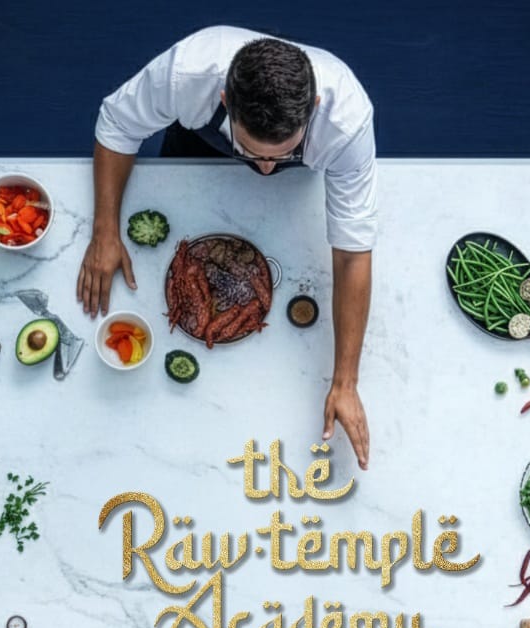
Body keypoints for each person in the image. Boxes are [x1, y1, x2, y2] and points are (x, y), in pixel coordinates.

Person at [78, 25, 377, 469]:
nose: (265, 168)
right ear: (223, 101)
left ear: (313, 108)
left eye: (279, 154)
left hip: (296, 192)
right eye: (254, 152)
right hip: (197, 148)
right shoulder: (189, 72)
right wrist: (105, 232)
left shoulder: (346, 120)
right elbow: (117, 123)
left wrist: (346, 383)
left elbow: (353, 255)